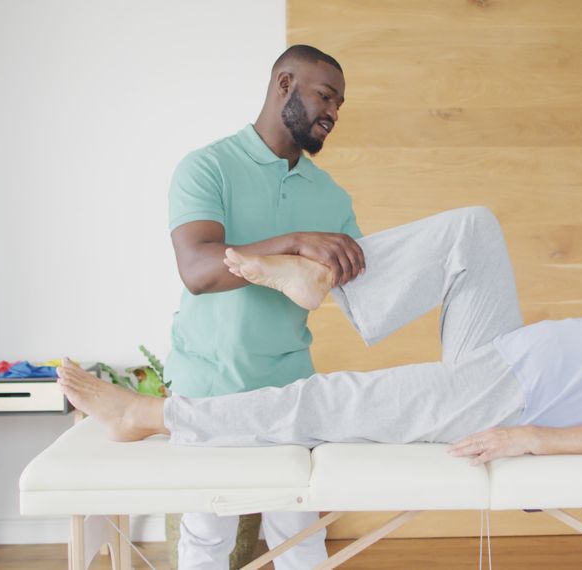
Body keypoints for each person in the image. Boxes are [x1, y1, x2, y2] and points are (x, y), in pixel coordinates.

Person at [61, 207, 582, 467]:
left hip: (512, 391)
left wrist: (529, 438)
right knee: (473, 232)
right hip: (511, 352)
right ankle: (328, 283)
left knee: (331, 400)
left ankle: (157, 417)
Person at [166, 45, 362, 569]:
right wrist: (293, 244)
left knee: (301, 539)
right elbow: (197, 271)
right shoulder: (208, 167)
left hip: (289, 389)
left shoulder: (333, 199)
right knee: (208, 538)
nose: (333, 113)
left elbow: (361, 289)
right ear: (284, 85)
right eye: (325, 96)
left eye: (339, 104)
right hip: (208, 385)